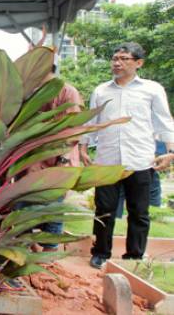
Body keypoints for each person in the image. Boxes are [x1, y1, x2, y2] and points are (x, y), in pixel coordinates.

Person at [80, 42, 174, 269]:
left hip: (140, 159)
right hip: (107, 160)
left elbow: (163, 120)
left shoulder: (152, 89)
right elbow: (92, 121)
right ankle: (100, 253)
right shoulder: (101, 90)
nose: (117, 63)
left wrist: (171, 151)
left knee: (139, 212)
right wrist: (83, 147)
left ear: (138, 63)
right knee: (104, 210)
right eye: (115, 58)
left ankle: (134, 256)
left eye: (124, 59)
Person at [23, 64, 83, 252]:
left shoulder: (68, 91)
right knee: (25, 204)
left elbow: (74, 128)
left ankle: (50, 250)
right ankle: (28, 247)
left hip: (59, 156)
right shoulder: (29, 93)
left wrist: (64, 158)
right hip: (33, 158)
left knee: (53, 205)